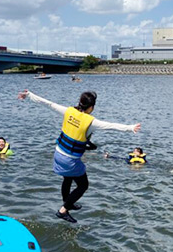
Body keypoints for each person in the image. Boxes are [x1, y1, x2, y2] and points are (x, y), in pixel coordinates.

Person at [18, 89, 141, 223]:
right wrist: (130, 127)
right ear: (91, 107)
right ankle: (63, 210)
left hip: (58, 154)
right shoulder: (91, 122)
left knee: (68, 178)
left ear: (80, 102)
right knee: (83, 185)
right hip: (70, 160)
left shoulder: (68, 111)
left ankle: (68, 202)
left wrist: (29, 95)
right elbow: (111, 125)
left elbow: (50, 104)